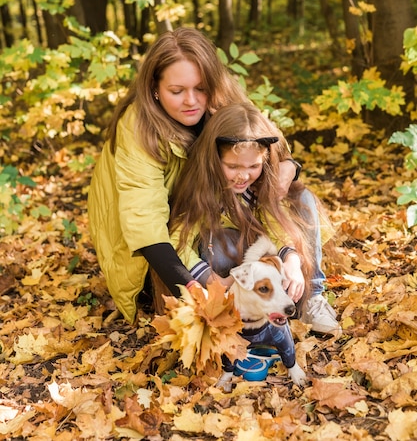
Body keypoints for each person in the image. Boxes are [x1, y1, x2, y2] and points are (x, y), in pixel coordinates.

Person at [87, 28, 301, 324]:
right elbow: (146, 223)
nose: (192, 101)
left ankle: (310, 295)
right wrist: (195, 288)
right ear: (154, 88)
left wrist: (289, 166)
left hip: (206, 213)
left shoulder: (222, 97)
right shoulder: (137, 127)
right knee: (223, 253)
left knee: (300, 198)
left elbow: (267, 141)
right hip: (163, 248)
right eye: (177, 91)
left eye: (200, 88)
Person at [169, 102, 340, 335]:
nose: (243, 175)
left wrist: (291, 259)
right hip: (227, 261)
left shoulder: (260, 184)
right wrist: (212, 280)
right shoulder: (203, 190)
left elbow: (276, 225)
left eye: (253, 166)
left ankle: (312, 297)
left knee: (304, 199)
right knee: (221, 243)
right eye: (233, 166)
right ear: (215, 159)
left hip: (259, 252)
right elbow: (177, 240)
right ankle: (239, 309)